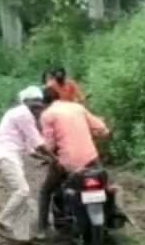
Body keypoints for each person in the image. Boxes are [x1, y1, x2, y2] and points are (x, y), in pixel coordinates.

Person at [37, 87, 110, 228]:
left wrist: (44, 155)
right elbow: (101, 128)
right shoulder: (77, 108)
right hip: (91, 159)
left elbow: (49, 144)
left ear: (43, 103)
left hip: (68, 163)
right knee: (105, 185)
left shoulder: (47, 114)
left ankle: (42, 228)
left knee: (46, 191)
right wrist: (105, 133)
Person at [0, 86, 50, 245]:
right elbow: (36, 141)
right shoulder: (24, 114)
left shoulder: (18, 114)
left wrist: (45, 158)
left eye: (39, 101)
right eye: (34, 102)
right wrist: (54, 158)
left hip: (10, 155)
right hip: (7, 155)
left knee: (25, 200)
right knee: (22, 191)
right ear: (26, 102)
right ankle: (1, 223)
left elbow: (29, 147)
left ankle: (20, 237)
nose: (38, 105)